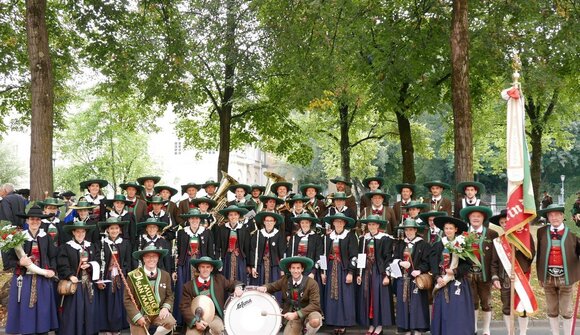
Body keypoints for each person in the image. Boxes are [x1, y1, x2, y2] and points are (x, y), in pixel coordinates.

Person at [5, 206, 59, 335]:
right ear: (27, 221)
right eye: (32, 219)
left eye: (37, 219)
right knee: (26, 313)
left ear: (41, 221)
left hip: (43, 279)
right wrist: (20, 262)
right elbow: (8, 262)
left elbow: (53, 257)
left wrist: (52, 269)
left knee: (43, 311)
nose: (34, 221)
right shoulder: (18, 239)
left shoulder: (46, 237)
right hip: (24, 280)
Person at [536, 204, 580, 335]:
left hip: (566, 277)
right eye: (551, 215)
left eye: (557, 214)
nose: (554, 217)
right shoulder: (541, 232)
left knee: (566, 310)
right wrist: (540, 275)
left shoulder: (573, 231)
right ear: (547, 217)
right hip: (548, 276)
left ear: (563, 216)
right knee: (551, 309)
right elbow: (539, 255)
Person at [489, 209, 535, 335]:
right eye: (502, 222)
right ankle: (510, 332)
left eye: (507, 221)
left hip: (521, 278)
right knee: (506, 307)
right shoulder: (498, 242)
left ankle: (523, 332)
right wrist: (495, 278)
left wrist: (522, 269)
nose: (505, 224)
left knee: (522, 306)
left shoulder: (525, 237)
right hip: (504, 279)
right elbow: (494, 262)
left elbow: (531, 255)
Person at [430, 216, 475, 335]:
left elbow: (468, 265)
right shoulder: (438, 245)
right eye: (446, 228)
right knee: (443, 311)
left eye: (451, 228)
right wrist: (437, 277)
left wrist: (455, 271)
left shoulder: (462, 245)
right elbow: (433, 264)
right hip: (442, 282)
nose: (448, 230)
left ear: (456, 229)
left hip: (458, 282)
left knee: (457, 311)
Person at [257, 256, 323, 335]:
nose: (295, 271)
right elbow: (272, 286)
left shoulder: (312, 283)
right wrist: (265, 287)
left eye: (298, 268)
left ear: (302, 269)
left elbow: (315, 305)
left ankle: (308, 333)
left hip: (309, 312)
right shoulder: (285, 280)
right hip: (294, 317)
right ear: (289, 269)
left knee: (315, 321)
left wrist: (296, 314)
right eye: (293, 268)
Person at [179, 256, 244, 335]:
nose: (205, 269)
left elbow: (232, 284)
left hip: (214, 316)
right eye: (202, 267)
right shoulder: (188, 286)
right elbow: (184, 307)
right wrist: (195, 322)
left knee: (219, 329)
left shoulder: (219, 280)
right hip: (196, 318)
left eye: (208, 267)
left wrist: (237, 287)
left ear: (211, 269)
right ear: (199, 268)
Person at [57, 220, 101, 335]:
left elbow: (98, 261)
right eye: (78, 231)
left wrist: (90, 265)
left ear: (85, 232)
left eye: (82, 231)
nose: (80, 234)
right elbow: (62, 264)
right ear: (73, 232)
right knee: (74, 311)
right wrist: (70, 275)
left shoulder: (91, 246)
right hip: (75, 285)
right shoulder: (66, 247)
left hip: (89, 284)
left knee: (89, 310)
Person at [173, 208, 215, 327]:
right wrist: (177, 268)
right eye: (192, 218)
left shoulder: (207, 232)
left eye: (196, 218)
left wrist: (210, 267)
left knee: (201, 290)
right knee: (183, 290)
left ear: (200, 220)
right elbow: (179, 251)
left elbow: (210, 252)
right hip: (185, 265)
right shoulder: (182, 233)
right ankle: (182, 320)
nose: (194, 220)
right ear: (189, 220)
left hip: (201, 266)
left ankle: (203, 317)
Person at [460, 206, 498, 335]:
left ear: (483, 218)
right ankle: (474, 327)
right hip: (468, 274)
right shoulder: (463, 234)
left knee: (486, 302)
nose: (476, 218)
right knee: (472, 302)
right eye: (473, 216)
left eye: (479, 216)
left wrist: (494, 275)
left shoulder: (492, 234)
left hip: (485, 274)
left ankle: (486, 329)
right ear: (469, 218)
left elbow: (494, 257)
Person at [356, 215, 395, 335]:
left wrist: (386, 275)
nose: (371, 226)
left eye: (374, 224)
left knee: (378, 298)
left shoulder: (385, 238)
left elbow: (388, 257)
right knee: (368, 298)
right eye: (369, 224)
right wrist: (359, 273)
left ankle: (379, 326)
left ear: (378, 225)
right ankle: (371, 324)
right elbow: (361, 256)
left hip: (379, 271)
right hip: (367, 271)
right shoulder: (363, 239)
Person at [124, 245, 176, 335]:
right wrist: (137, 317)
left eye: (154, 256)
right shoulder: (133, 276)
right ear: (143, 259)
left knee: (171, 322)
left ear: (158, 258)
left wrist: (165, 308)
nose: (151, 259)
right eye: (148, 256)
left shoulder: (165, 275)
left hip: (158, 313)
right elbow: (127, 300)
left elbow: (169, 296)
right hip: (140, 314)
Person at [393, 219, 431, 335]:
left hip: (416, 279)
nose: (408, 232)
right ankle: (406, 328)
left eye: (411, 229)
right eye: (406, 230)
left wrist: (419, 270)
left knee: (417, 304)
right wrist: (400, 262)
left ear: (415, 230)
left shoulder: (423, 245)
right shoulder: (400, 244)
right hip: (402, 279)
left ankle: (418, 329)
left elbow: (427, 262)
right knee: (403, 303)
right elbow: (394, 258)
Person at [322, 212, 358, 334]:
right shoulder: (327, 237)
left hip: (344, 269)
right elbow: (323, 255)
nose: (338, 224)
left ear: (344, 223)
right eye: (336, 221)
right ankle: (334, 322)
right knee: (332, 296)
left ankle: (343, 323)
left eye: (341, 222)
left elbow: (354, 256)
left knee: (344, 297)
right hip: (331, 268)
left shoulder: (350, 236)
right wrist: (323, 271)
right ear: (333, 223)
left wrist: (351, 272)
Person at [95, 217, 132, 334]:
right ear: (107, 230)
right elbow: (98, 260)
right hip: (107, 275)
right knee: (108, 301)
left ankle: (118, 327)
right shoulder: (101, 243)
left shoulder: (125, 243)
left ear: (120, 230)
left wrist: (125, 272)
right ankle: (107, 327)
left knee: (120, 301)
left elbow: (128, 260)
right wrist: (99, 277)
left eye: (116, 228)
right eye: (111, 228)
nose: (114, 231)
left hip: (121, 275)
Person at [249, 212, 286, 299]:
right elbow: (253, 250)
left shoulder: (279, 234)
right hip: (260, 266)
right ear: (264, 222)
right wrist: (253, 267)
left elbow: (282, 252)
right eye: (267, 220)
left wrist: (282, 269)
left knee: (274, 287)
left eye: (271, 221)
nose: (269, 223)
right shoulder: (258, 234)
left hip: (274, 267)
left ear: (274, 222)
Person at [214, 205, 251, 282]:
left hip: (240, 259)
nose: (233, 217)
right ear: (228, 216)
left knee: (240, 280)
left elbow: (247, 248)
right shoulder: (222, 229)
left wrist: (248, 264)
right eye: (231, 215)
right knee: (226, 280)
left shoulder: (244, 229)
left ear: (238, 216)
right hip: (226, 259)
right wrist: (218, 261)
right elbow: (218, 247)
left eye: (235, 214)